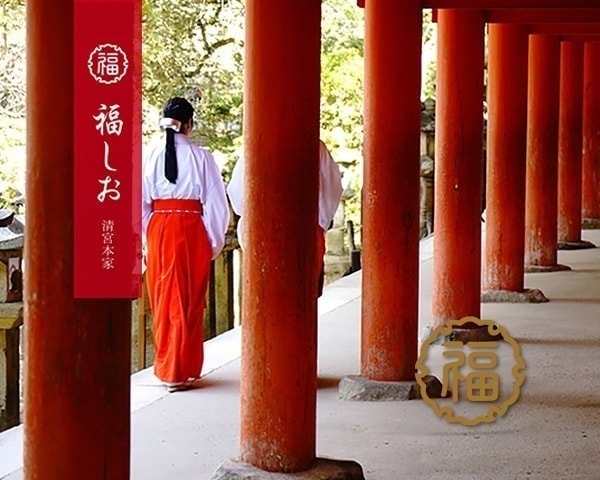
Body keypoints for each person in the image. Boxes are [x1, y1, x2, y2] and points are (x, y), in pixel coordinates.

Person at [142, 97, 230, 393]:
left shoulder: (148, 156)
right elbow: (216, 205)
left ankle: (169, 366)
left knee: (163, 297)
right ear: (189, 125)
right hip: (192, 228)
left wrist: (149, 235)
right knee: (190, 298)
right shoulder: (202, 157)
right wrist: (212, 242)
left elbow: (139, 205)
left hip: (160, 226)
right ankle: (183, 368)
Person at [227, 139, 343, 296]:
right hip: (306, 227)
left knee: (266, 294)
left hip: (263, 229)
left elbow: (238, 195)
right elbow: (331, 190)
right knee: (303, 294)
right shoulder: (315, 144)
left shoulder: (257, 141)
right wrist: (320, 223)